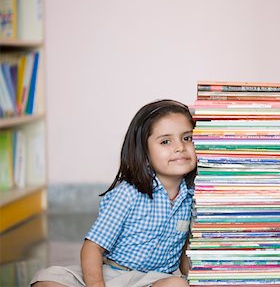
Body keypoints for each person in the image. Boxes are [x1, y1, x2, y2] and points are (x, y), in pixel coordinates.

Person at [31, 99, 197, 287]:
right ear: (144, 151)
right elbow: (92, 248)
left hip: (155, 279)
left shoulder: (193, 198)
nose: (180, 147)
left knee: (178, 285)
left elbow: (186, 258)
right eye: (165, 141)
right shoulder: (128, 194)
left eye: (187, 138)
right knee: (46, 281)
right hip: (110, 274)